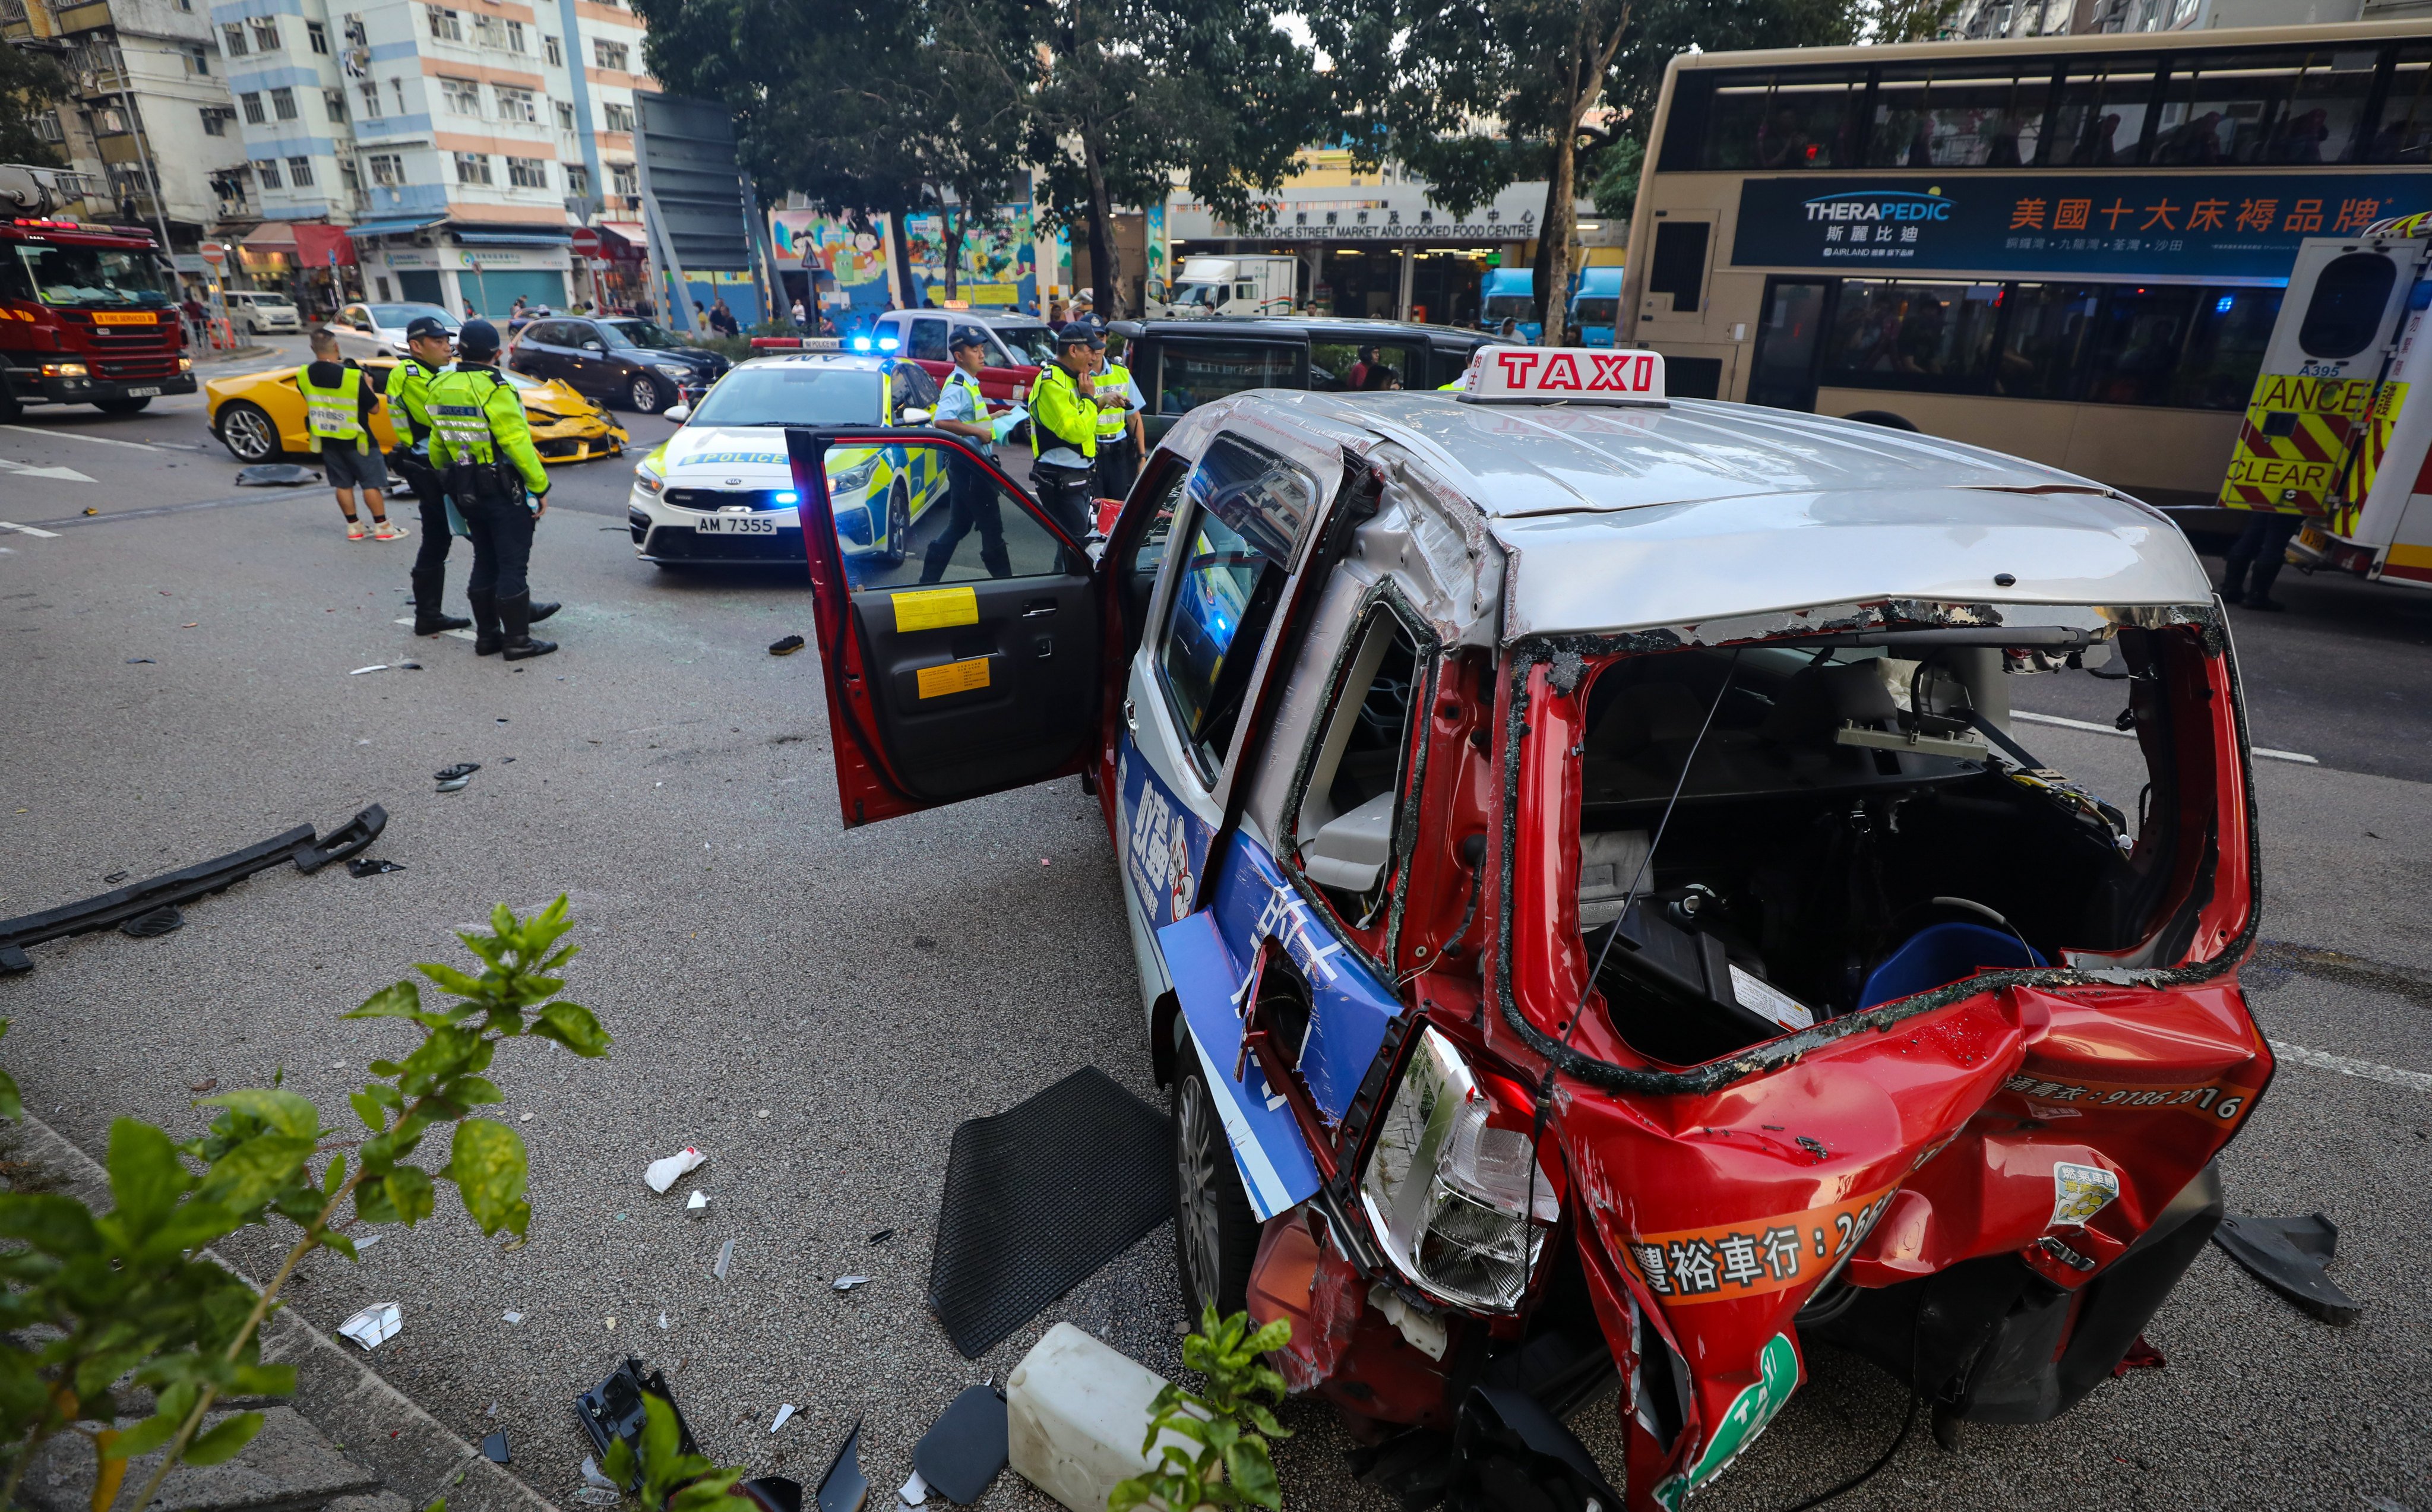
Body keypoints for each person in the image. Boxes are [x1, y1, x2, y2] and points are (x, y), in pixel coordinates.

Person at [426, 318, 557, 659]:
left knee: (484, 558)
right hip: (502, 488)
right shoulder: (496, 388)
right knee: (512, 564)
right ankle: (518, 641)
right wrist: (539, 485)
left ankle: (488, 637)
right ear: (497, 354)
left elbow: (438, 445)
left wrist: (450, 478)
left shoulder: (442, 385)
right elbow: (516, 442)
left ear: (460, 349)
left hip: (464, 487)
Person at [387, 316, 470, 634]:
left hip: (427, 464)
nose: (447, 347)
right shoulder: (410, 375)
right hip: (430, 466)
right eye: (438, 342)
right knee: (489, 535)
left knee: (438, 539)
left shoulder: (428, 373)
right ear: (416, 347)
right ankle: (512, 608)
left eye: (447, 340)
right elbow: (442, 413)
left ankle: (428, 615)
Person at [921, 327, 1011, 583]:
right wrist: (979, 433)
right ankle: (1009, 587)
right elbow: (941, 421)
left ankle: (927, 583)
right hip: (972, 469)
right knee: (992, 528)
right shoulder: (958, 385)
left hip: (968, 467)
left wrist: (993, 418)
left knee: (958, 527)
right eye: (975, 350)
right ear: (959, 356)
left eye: (982, 349)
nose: (982, 354)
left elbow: (967, 420)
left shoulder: (968, 382)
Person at [297, 327, 404, 542]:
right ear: (336, 347)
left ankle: (354, 527)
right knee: (370, 483)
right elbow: (374, 408)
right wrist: (369, 386)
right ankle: (382, 526)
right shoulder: (351, 377)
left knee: (342, 484)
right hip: (358, 438)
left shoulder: (303, 375)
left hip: (327, 438)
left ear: (312, 348)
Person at [1025, 322, 1102, 542]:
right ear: (1073, 350)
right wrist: (1089, 397)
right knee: (1075, 546)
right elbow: (1076, 431)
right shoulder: (1052, 383)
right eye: (1090, 351)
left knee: (1074, 544)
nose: (1095, 358)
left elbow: (1078, 416)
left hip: (1078, 476)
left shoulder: (1071, 377)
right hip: (1061, 479)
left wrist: (1099, 401)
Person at [1090, 330, 1146, 500]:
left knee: (1118, 509)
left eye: (1101, 338)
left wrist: (1142, 457)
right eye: (1093, 340)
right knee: (1095, 511)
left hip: (1118, 454)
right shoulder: (1078, 377)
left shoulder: (1121, 373)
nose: (1098, 346)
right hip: (1092, 454)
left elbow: (1134, 417)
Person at [2218, 510, 2304, 612]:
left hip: (2268, 496)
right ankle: (2256, 597)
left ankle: (2230, 589)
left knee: (2251, 538)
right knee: (2274, 544)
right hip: (2291, 499)